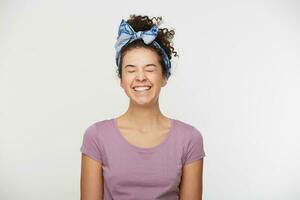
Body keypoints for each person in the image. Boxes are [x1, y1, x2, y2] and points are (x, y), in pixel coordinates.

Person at [80, 14, 206, 200]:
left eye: (150, 69)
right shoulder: (96, 137)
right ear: (121, 80)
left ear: (164, 77)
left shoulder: (189, 139)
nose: (140, 77)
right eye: (131, 70)